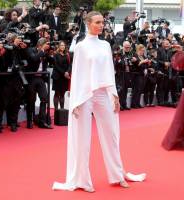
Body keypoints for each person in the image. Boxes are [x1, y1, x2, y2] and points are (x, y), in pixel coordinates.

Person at [52, 11, 146, 193]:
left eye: (102, 22)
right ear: (88, 24)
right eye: (97, 22)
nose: (101, 25)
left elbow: (109, 71)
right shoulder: (81, 46)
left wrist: (114, 95)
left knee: (111, 136)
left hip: (103, 93)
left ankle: (118, 175)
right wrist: (76, 101)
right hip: (85, 95)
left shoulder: (105, 45)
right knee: (82, 139)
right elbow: (78, 74)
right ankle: (82, 180)